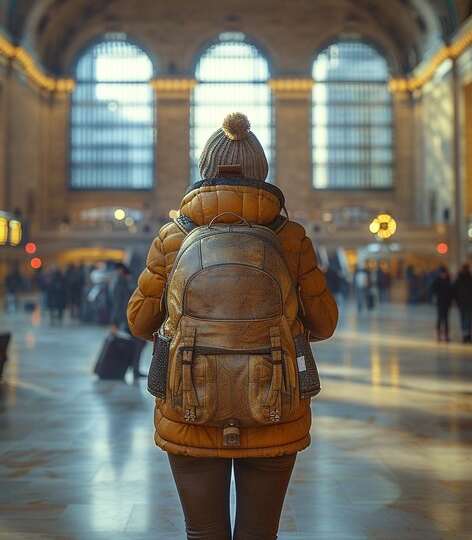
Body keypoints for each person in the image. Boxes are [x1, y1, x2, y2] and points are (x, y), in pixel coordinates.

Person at [127, 112, 338, 540]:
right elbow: (325, 322)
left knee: (203, 533)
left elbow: (138, 321)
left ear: (205, 168)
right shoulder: (290, 236)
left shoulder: (174, 236)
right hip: (276, 404)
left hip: (189, 405)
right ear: (261, 171)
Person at [110, 263, 146, 380]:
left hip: (127, 320)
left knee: (139, 342)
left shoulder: (122, 283)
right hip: (125, 321)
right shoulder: (119, 284)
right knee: (139, 342)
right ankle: (134, 368)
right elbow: (118, 305)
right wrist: (115, 323)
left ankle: (134, 367)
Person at [430, 266, 453, 342]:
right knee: (440, 319)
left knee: (446, 320)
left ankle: (446, 335)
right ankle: (439, 335)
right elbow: (433, 290)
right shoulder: (437, 281)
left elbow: (451, 291)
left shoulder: (448, 280)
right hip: (440, 303)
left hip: (446, 303)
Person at [453, 263, 472, 343]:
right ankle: (465, 335)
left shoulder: (468, 279)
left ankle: (466, 335)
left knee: (467, 319)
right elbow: (455, 291)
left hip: (468, 303)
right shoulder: (459, 279)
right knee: (464, 319)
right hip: (462, 303)